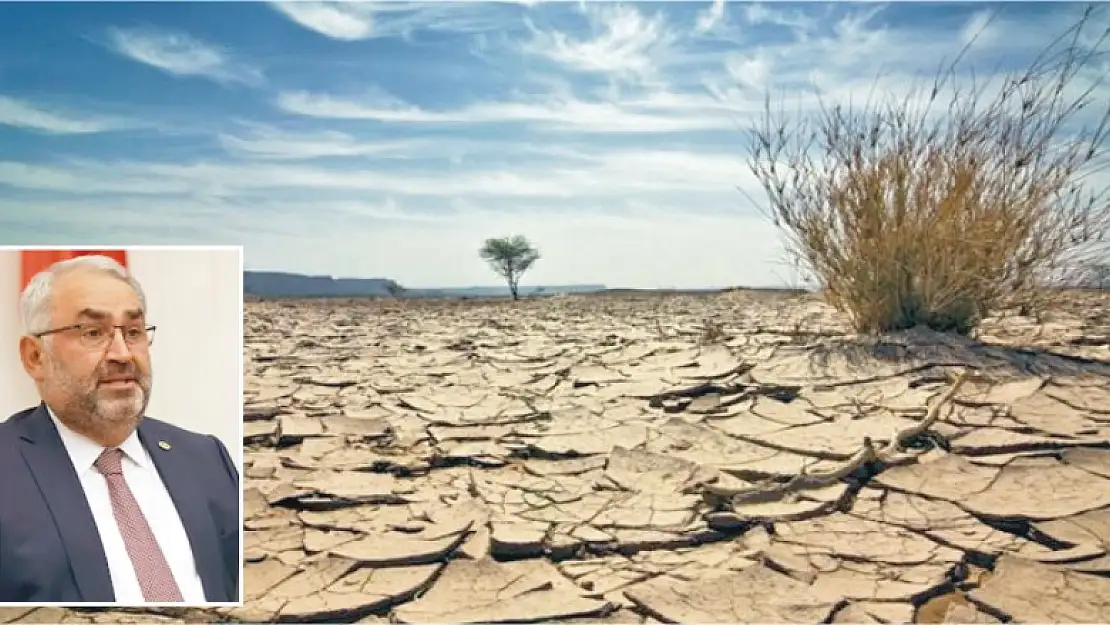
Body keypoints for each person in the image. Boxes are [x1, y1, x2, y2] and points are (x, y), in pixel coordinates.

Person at [0, 254, 239, 604]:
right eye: (93, 332)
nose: (123, 354)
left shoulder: (206, 458)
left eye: (134, 332)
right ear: (35, 356)